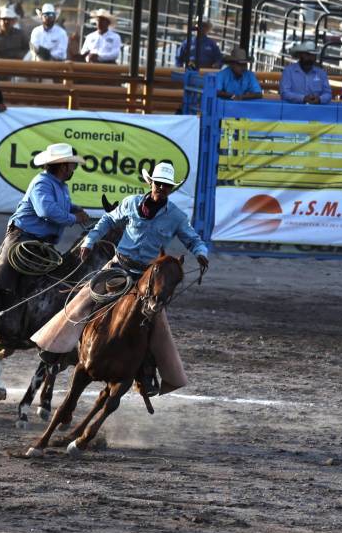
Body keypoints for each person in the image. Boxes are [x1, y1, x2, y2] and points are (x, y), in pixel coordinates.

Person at [33, 161, 210, 394]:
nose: (161, 188)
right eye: (158, 184)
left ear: (170, 189)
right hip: (119, 265)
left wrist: (201, 253)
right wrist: (90, 239)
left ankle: (147, 375)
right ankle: (57, 350)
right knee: (84, 300)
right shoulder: (131, 203)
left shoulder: (176, 216)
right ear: (151, 183)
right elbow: (108, 220)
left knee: (154, 320)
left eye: (166, 186)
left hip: (147, 276)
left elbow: (192, 239)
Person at [0, 142, 90, 339]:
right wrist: (75, 218)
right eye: (72, 164)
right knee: (2, 273)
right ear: (63, 165)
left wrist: (74, 208)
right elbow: (46, 210)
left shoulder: (59, 186)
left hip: (42, 244)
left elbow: (60, 205)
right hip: (21, 238)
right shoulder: (42, 182)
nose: (74, 168)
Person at [279, 40, 332, 105]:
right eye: (307, 54)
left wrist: (319, 99)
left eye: (313, 55)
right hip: (293, 110)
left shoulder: (321, 73)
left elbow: (328, 93)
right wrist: (303, 98)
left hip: (316, 110)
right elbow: (284, 93)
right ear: (300, 55)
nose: (310, 57)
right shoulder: (288, 71)